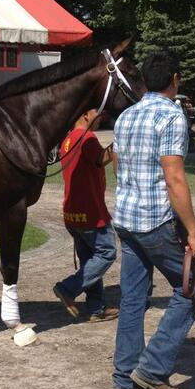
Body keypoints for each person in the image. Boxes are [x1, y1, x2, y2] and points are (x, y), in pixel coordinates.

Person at [111, 51, 195, 389]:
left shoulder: (126, 116)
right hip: (155, 221)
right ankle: (151, 370)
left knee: (132, 300)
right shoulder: (172, 116)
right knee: (191, 289)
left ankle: (124, 380)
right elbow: (174, 178)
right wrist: (192, 231)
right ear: (175, 79)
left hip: (126, 219)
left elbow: (118, 165)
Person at [53, 109, 118, 322]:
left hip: (72, 212)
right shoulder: (86, 137)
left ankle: (96, 308)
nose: (102, 117)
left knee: (89, 260)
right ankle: (68, 288)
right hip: (90, 211)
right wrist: (121, 139)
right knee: (107, 252)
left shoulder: (68, 139)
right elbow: (102, 159)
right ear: (86, 114)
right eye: (98, 112)